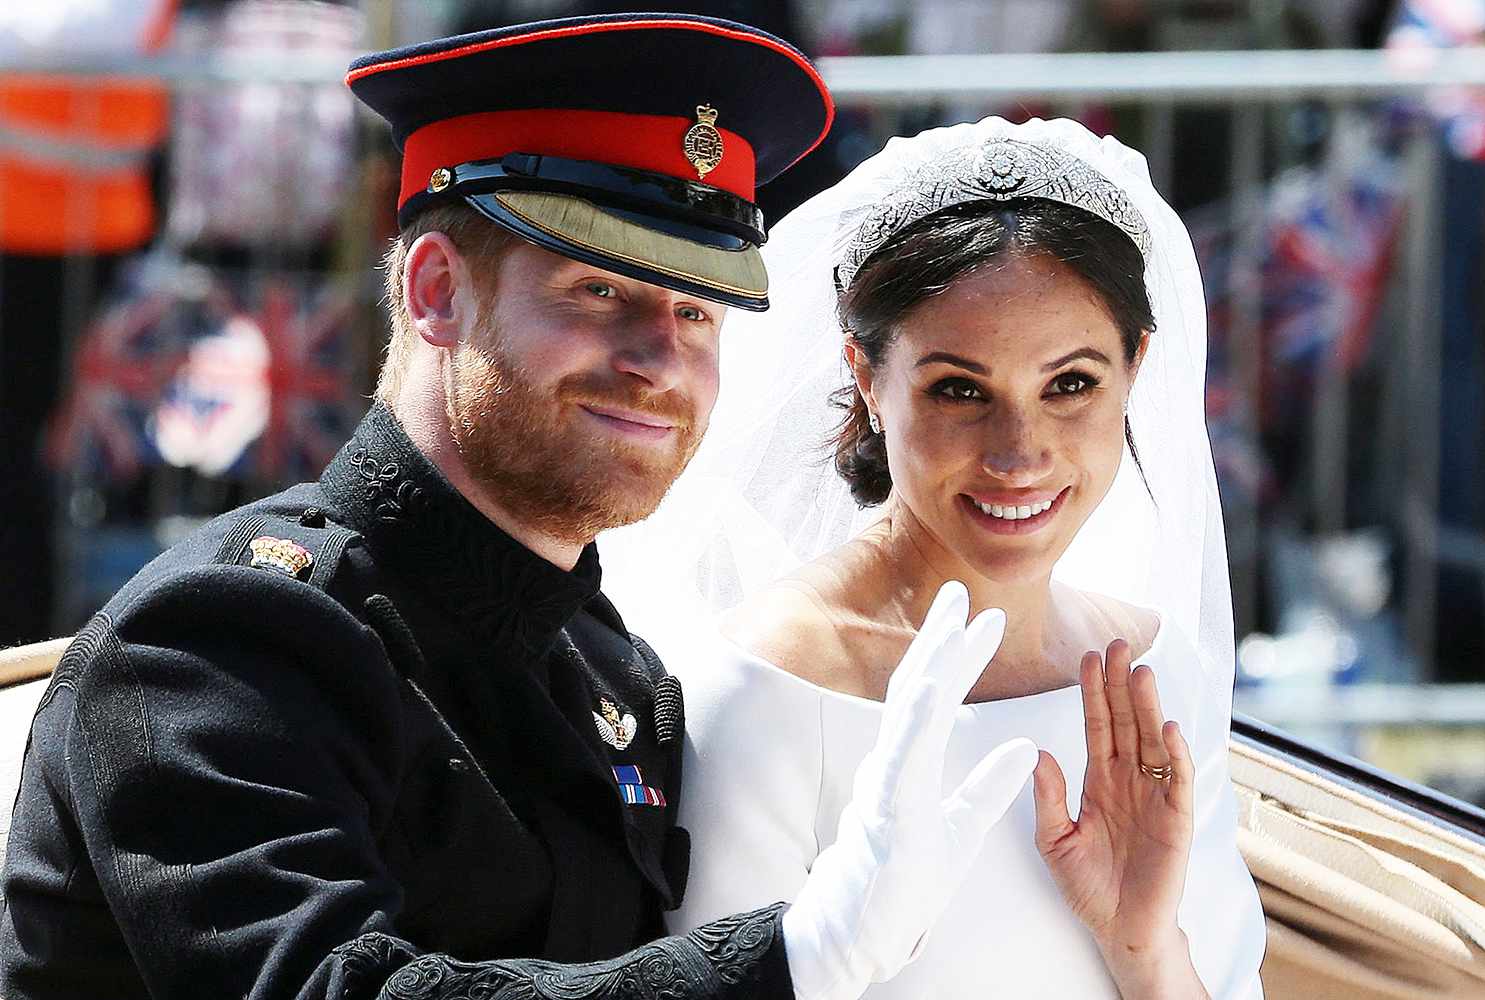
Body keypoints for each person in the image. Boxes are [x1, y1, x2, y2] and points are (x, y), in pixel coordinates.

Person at [0, 15, 1043, 1000]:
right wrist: (790, 960)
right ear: (437, 291)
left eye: (694, 309)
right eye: (599, 292)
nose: (658, 361)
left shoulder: (604, 664)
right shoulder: (221, 643)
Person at [602, 116, 1268, 997]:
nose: (1018, 452)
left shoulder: (1150, 670)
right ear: (868, 378)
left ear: (1136, 367)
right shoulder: (774, 684)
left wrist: (1144, 947)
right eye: (959, 389)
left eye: (1070, 383)